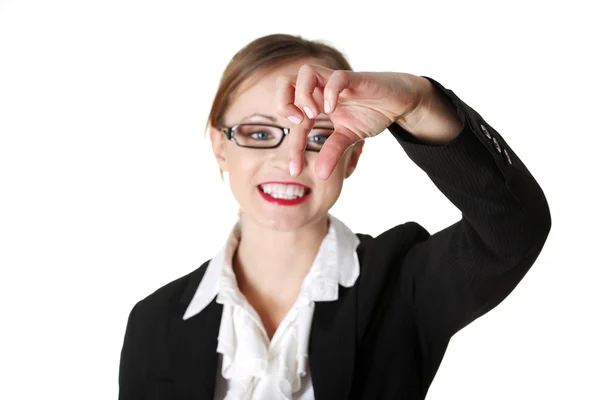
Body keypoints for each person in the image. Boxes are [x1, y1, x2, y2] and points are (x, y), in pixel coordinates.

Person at [118, 33, 551, 400]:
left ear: (353, 155)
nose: (290, 161)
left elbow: (513, 227)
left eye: (318, 136)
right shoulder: (153, 323)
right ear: (219, 144)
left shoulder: (402, 284)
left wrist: (418, 103)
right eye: (259, 132)